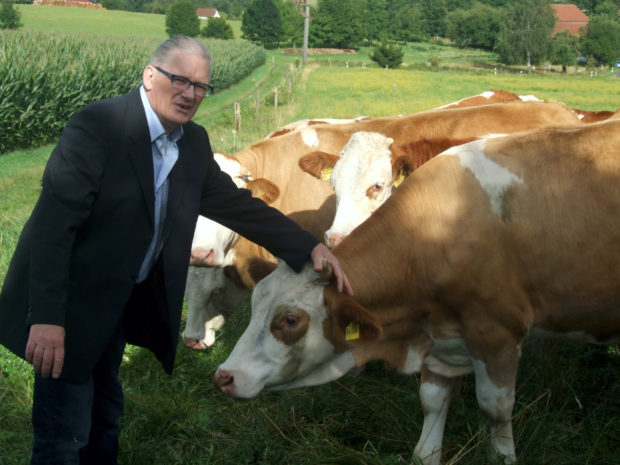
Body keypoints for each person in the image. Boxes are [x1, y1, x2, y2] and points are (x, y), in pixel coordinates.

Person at [0, 35, 352, 465]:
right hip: (69, 302)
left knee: (104, 414)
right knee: (63, 432)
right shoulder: (99, 128)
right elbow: (54, 230)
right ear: (150, 76)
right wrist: (49, 319)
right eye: (179, 80)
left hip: (116, 303)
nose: (190, 93)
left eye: (201, 86)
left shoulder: (191, 143)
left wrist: (308, 245)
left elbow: (237, 205)